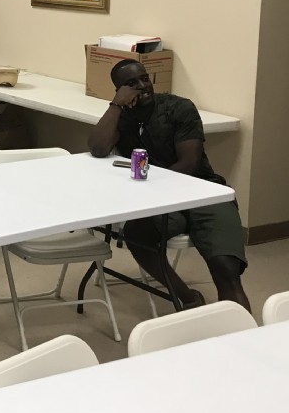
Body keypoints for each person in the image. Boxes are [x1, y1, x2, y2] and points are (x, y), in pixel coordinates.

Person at [88, 59, 251, 311]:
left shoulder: (179, 108)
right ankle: (187, 298)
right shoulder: (122, 116)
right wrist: (116, 105)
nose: (143, 86)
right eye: (131, 83)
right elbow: (98, 148)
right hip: (159, 201)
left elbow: (189, 164)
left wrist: (153, 193)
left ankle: (242, 327)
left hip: (202, 191)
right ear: (120, 90)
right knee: (136, 235)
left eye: (145, 78)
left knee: (226, 270)